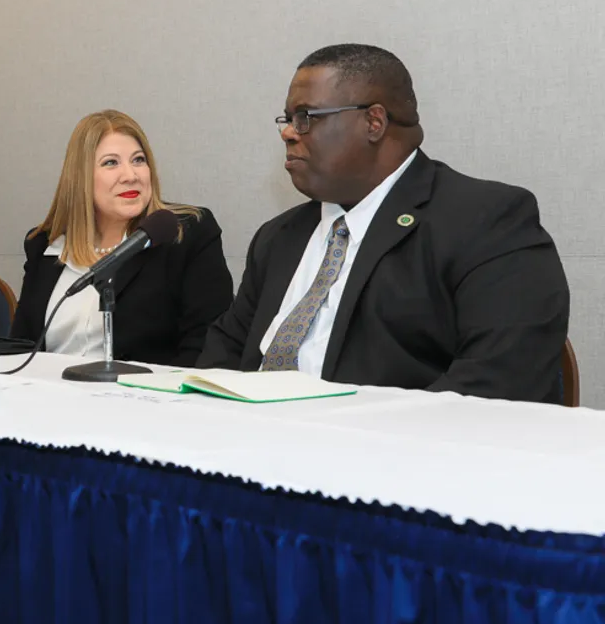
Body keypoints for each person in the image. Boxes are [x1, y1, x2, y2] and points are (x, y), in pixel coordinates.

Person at [196, 43, 570, 403]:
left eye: (305, 117)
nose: (288, 132)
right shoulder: (278, 237)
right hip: (244, 451)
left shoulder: (486, 221)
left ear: (373, 122)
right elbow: (221, 360)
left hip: (391, 456)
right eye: (288, 119)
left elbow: (498, 382)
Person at [11, 109, 234, 367]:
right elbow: (21, 348)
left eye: (139, 160)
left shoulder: (187, 234)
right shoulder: (44, 244)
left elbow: (207, 347)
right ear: (80, 177)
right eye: (111, 163)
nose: (131, 175)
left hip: (145, 400)